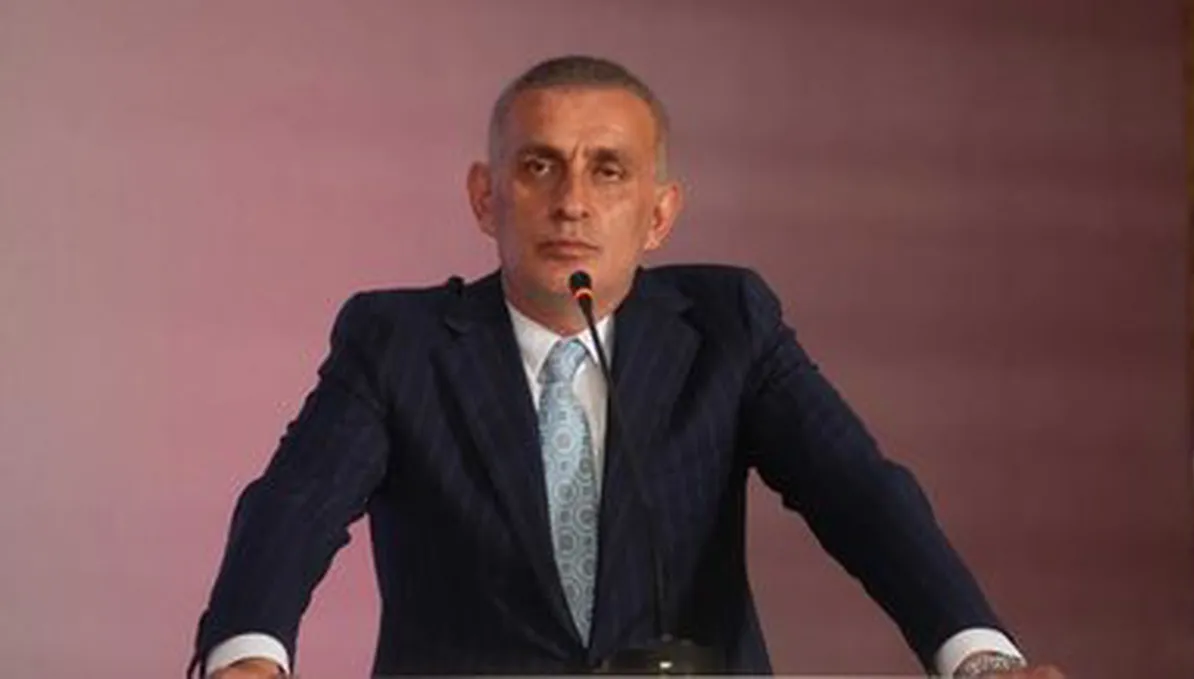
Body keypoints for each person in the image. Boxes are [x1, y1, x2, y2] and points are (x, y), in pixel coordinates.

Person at [188, 55, 1064, 678]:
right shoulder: (397, 341)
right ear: (485, 197)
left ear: (659, 214)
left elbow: (861, 495)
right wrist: (248, 653)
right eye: (540, 165)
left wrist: (978, 657)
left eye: (608, 170)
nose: (571, 201)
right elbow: (291, 507)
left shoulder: (728, 325)